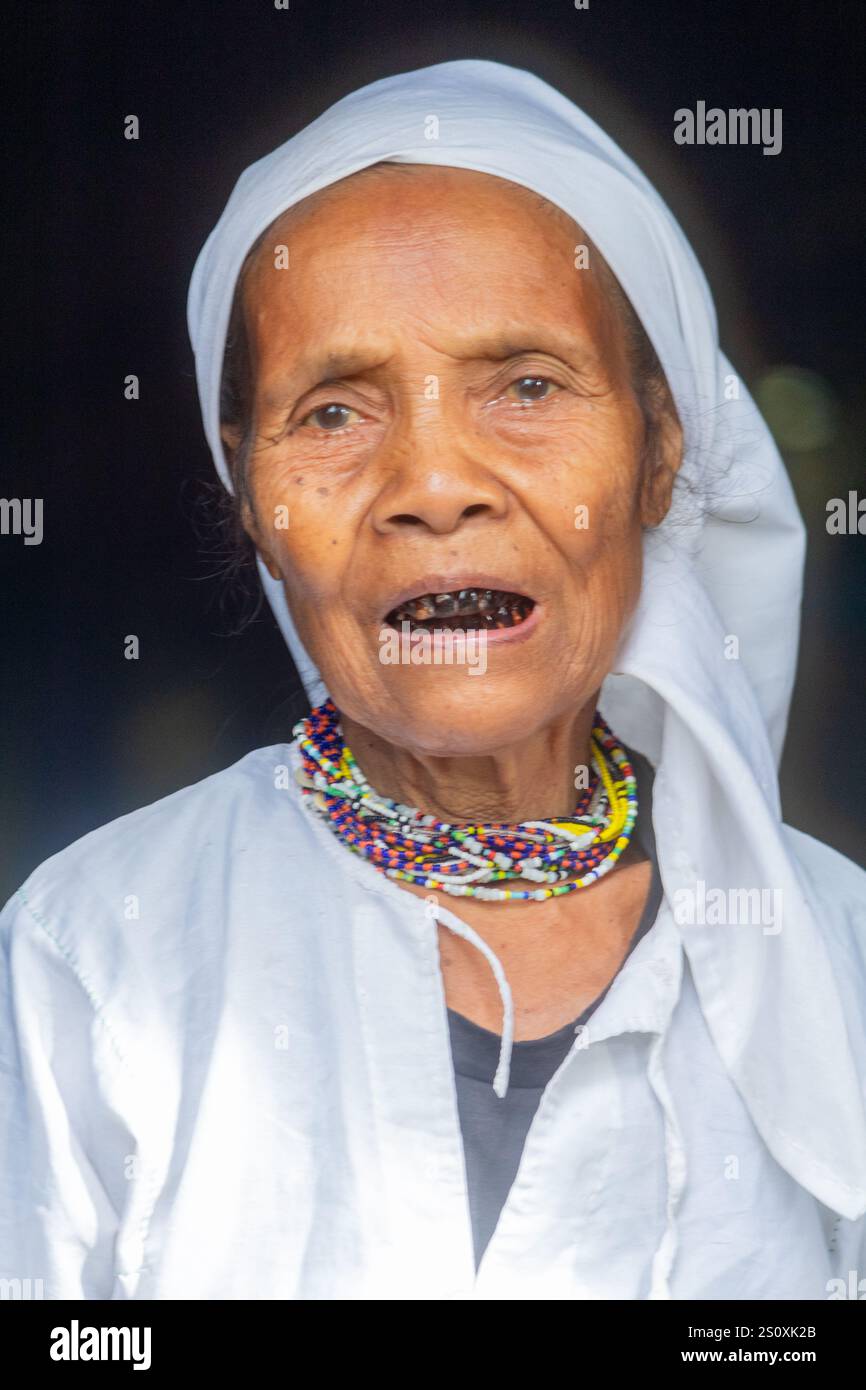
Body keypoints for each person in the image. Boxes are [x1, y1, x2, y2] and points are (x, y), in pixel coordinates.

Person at [2, 59, 865, 1301]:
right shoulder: (90, 957)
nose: (432, 484)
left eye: (525, 385)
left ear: (659, 456)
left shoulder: (836, 962)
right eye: (335, 414)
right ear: (251, 497)